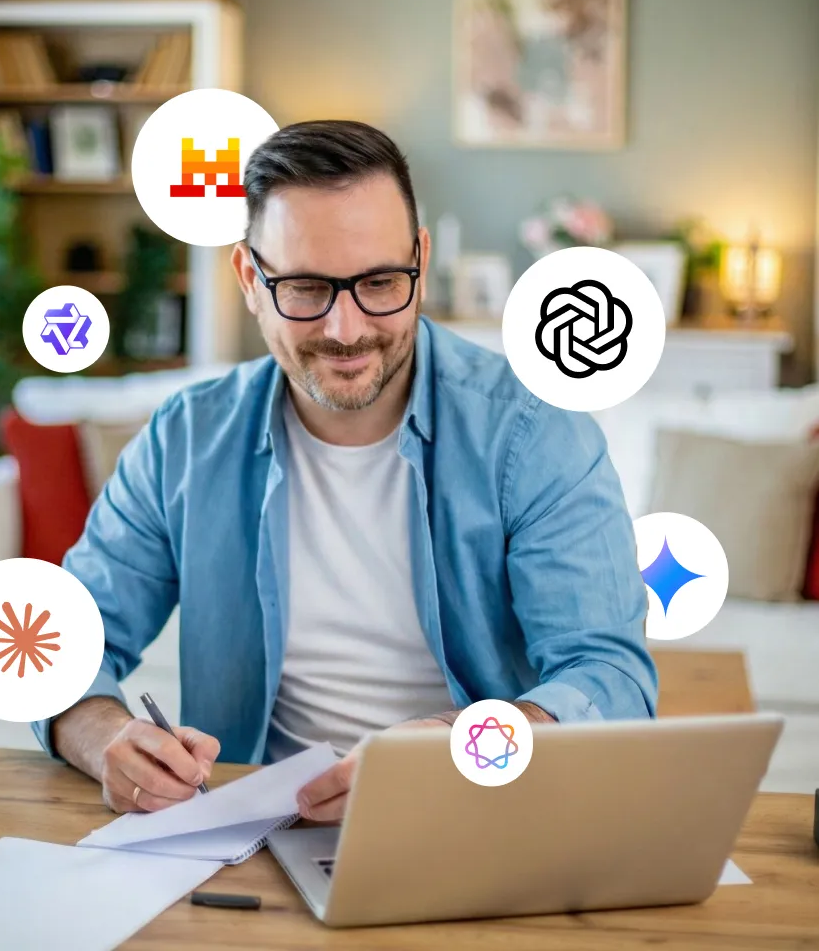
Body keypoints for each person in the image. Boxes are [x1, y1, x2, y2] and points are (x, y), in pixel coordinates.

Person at [34, 120, 657, 823]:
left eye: (380, 282)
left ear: (420, 261)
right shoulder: (185, 438)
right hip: (249, 834)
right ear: (249, 279)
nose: (346, 329)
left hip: (478, 818)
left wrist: (466, 744)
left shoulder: (535, 434)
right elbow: (59, 645)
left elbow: (611, 680)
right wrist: (105, 739)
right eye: (305, 288)